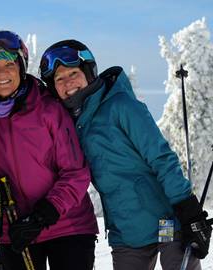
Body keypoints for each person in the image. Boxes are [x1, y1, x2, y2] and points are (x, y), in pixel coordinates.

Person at [39, 39, 212, 270]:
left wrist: (187, 207)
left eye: (73, 73)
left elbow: (160, 157)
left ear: (89, 72)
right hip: (126, 233)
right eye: (59, 79)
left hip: (166, 222)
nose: (68, 82)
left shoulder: (121, 106)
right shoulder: (70, 125)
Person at [0, 30, 98, 270]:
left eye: (9, 64)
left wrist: (42, 215)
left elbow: (76, 173)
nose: (2, 73)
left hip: (67, 227)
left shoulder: (48, 109)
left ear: (21, 66)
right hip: (14, 230)